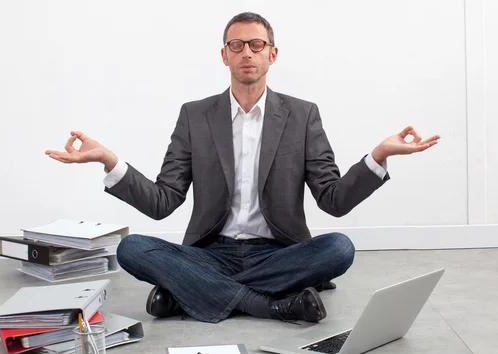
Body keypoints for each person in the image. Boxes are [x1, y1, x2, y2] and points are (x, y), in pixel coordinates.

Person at [46, 12, 439, 324]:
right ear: (224, 55)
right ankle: (270, 305)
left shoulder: (302, 116)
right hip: (210, 252)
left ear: (272, 53)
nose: (247, 53)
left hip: (279, 252)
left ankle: (188, 293)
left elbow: (333, 200)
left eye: (256, 44)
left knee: (339, 248)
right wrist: (108, 160)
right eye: (237, 45)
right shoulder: (195, 116)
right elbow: (162, 202)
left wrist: (379, 156)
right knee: (131, 248)